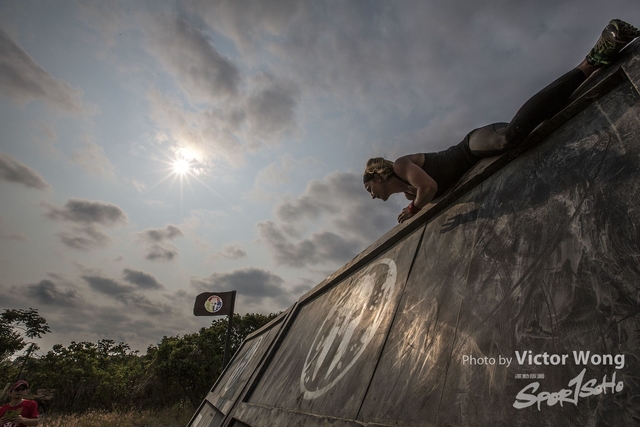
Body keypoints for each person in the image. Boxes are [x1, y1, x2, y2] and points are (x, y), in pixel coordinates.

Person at [363, 19, 640, 223]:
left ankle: (592, 60)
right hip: (474, 165)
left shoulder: (401, 167)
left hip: (470, 146)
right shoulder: (409, 193)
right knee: (535, 128)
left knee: (508, 137)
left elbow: (430, 187)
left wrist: (413, 210)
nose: (371, 195)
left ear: (377, 176)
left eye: (369, 188)